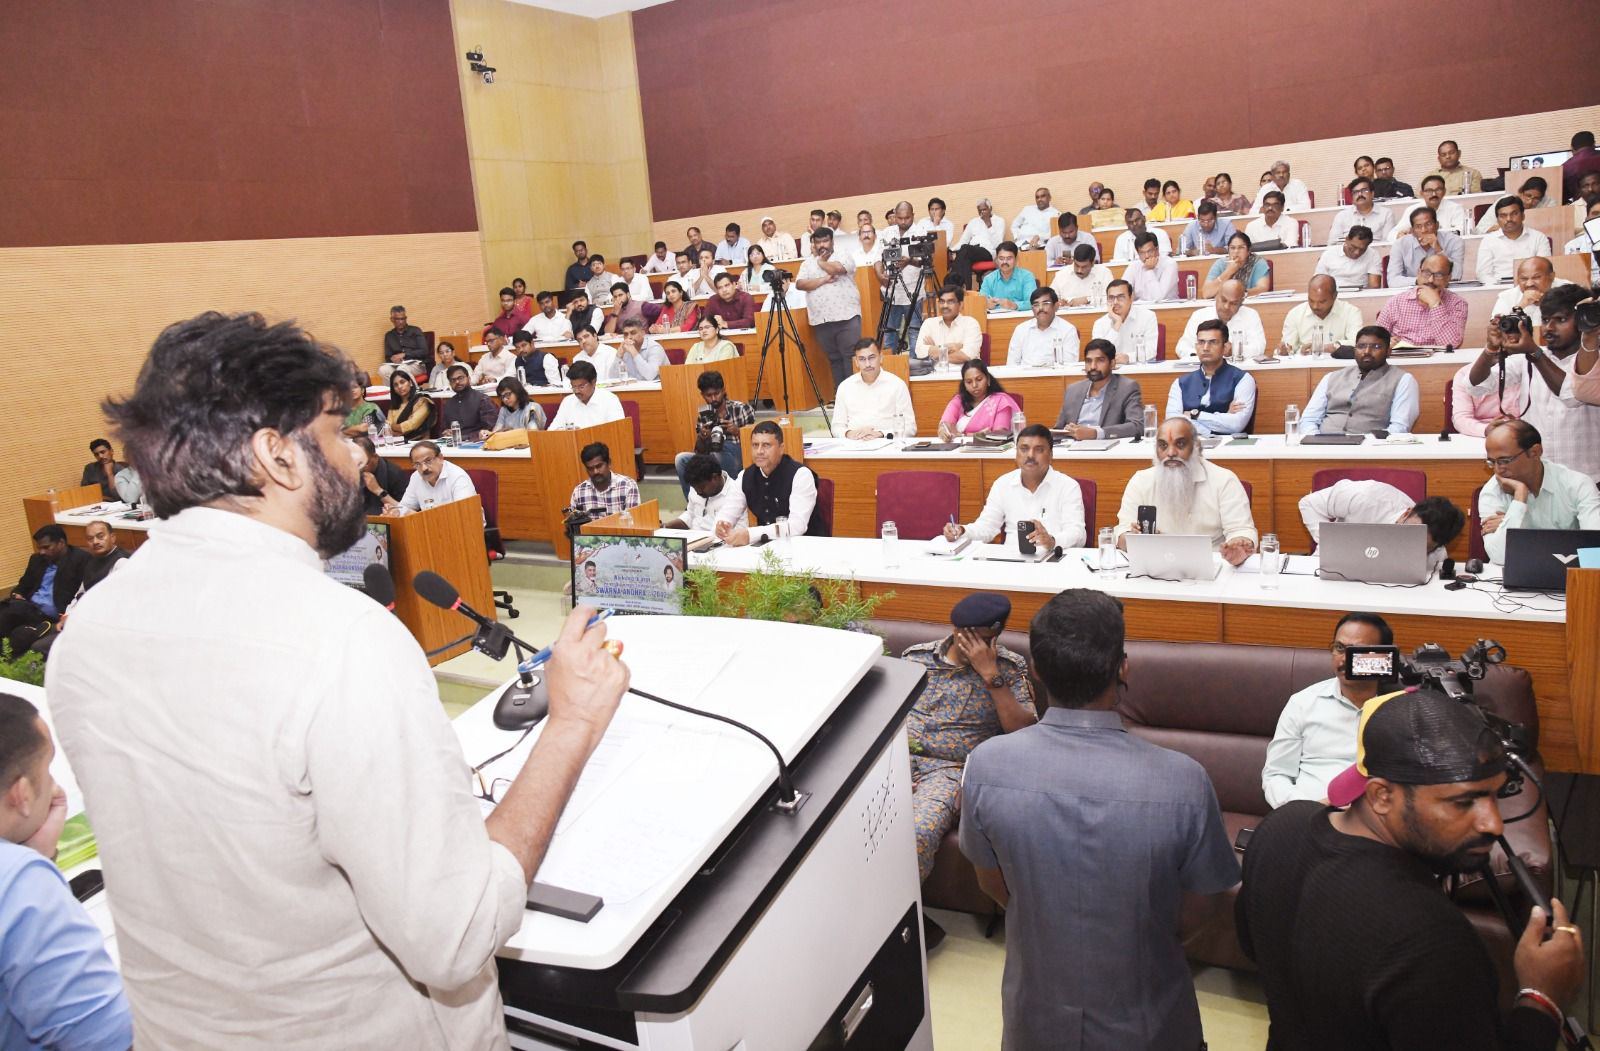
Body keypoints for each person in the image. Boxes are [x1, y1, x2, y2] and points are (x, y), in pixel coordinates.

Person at [50, 313, 631, 1047]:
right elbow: (457, 932)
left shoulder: (89, 629)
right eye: (337, 431)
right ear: (277, 456)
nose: (358, 454)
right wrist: (573, 721)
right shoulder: (340, 640)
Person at [961, 588, 1238, 1051]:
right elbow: (1203, 908)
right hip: (1150, 1023)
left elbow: (992, 885)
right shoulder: (1184, 781)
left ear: (1036, 669)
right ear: (1122, 668)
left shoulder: (986, 766)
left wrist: (1052, 921)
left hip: (1035, 1020)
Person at [1238, 688, 1586, 1051]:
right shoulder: (1434, 941)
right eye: (1463, 802)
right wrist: (1542, 998)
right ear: (1381, 796)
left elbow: (1253, 944)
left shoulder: (1279, 826)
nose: (1493, 824)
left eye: (1495, 795)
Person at [0, 695, 133, 1049]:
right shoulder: (20, 885)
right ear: (21, 794)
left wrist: (37, 854)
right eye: (47, 768)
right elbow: (104, 1039)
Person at [901, 593, 1035, 907]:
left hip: (947, 771)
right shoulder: (915, 658)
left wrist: (990, 675)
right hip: (896, 757)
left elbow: (1025, 735)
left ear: (996, 635)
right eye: (968, 637)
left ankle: (899, 916)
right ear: (956, 629)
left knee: (917, 831)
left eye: (984, 640)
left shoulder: (1008, 668)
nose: (974, 647)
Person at [1261, 612, 1395, 808]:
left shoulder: (1401, 710)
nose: (1344, 659)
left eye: (1357, 651)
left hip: (1374, 817)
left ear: (1383, 657)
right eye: (1339, 648)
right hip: (1307, 816)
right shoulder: (1303, 703)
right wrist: (1304, 809)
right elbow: (1276, 774)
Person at [1471, 286, 1600, 481]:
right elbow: (1476, 385)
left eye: (1561, 320)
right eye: (1546, 320)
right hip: (1538, 475)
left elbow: (1572, 395)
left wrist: (1534, 353)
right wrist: (1490, 349)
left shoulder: (1593, 360)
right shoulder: (1528, 357)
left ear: (1582, 320)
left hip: (1587, 475)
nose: (1549, 328)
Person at [1116, 417, 1257, 563]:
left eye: (1180, 444)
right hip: (1154, 567)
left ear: (1196, 446)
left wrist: (1238, 547)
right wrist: (1132, 539)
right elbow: (1121, 535)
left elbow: (1241, 530)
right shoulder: (1140, 481)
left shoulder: (1224, 480)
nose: (1171, 453)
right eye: (1163, 445)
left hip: (1213, 566)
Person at [943, 425, 1086, 550]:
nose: (1030, 455)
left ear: (1051, 455)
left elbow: (1078, 534)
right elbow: (987, 527)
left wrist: (1052, 541)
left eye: (1039, 450)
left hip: (1052, 560)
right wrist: (962, 530)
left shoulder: (1068, 486)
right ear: (1016, 454)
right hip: (1011, 560)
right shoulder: (1002, 484)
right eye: (1024, 449)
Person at [1477, 418, 1600, 564]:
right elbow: (1499, 557)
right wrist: (1520, 497)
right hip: (1515, 574)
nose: (1498, 470)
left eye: (1505, 461)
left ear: (1535, 452)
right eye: (1492, 462)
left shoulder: (1577, 485)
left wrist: (1519, 529)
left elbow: (1594, 553)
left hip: (1570, 574)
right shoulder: (1492, 491)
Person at [714, 422, 828, 544]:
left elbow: (797, 526)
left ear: (781, 448)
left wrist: (751, 534)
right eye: (755, 445)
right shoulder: (745, 476)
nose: (759, 451)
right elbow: (727, 512)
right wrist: (722, 526)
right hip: (766, 547)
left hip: (806, 545)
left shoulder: (800, 475)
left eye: (766, 445)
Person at [1298, 325, 1420, 435]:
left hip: (1372, 448)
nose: (1367, 352)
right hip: (1323, 445)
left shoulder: (1403, 380)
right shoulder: (1331, 378)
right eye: (1361, 346)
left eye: (1376, 347)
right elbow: (1309, 420)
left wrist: (1368, 443)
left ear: (1388, 351)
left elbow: (1400, 428)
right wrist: (1315, 440)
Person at [1, 526, 90, 656]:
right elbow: (23, 586)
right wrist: (17, 594)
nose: (42, 552)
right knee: (6, 611)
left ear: (61, 543)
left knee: (16, 629)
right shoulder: (37, 560)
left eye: (46, 547)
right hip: (29, 608)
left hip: (52, 616)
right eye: (39, 548)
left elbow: (84, 593)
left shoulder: (81, 560)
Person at [1165, 319, 1257, 435]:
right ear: (1196, 346)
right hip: (1190, 443)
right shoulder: (1180, 383)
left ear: (1226, 347)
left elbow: (1236, 425)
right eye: (1201, 342)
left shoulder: (1243, 379)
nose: (1205, 348)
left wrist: (1195, 415)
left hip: (1228, 445)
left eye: (1213, 342)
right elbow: (1173, 423)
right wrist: (1214, 428)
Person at [795, 226, 862, 385]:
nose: (822, 245)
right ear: (813, 244)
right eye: (818, 242)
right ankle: (840, 395)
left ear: (832, 241)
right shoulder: (807, 264)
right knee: (834, 359)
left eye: (825, 241)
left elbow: (838, 269)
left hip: (846, 317)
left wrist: (821, 262)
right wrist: (824, 280)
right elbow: (800, 284)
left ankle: (855, 394)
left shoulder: (843, 255)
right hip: (822, 320)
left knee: (850, 356)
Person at [672, 369, 753, 490]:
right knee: (681, 459)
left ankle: (733, 492)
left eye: (717, 393)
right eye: (709, 395)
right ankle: (695, 500)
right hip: (713, 458)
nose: (714, 398)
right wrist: (703, 437)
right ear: (702, 395)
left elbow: (755, 441)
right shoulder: (704, 415)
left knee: (720, 447)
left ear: (723, 390)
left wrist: (738, 432)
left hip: (739, 456)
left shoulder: (742, 409)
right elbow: (700, 452)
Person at [1054, 339, 1144, 438]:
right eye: (1089, 361)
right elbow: (1058, 430)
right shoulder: (1073, 390)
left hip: (1105, 445)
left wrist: (1096, 433)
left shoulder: (1126, 388)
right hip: (1071, 445)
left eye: (1100, 360)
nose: (1093, 366)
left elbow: (1138, 426)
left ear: (1112, 363)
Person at [1378, 253, 1468, 347]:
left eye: (1439, 275)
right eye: (1426, 273)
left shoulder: (1458, 304)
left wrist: (1435, 304)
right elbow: (1376, 338)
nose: (1430, 280)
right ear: (1418, 273)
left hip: (1438, 356)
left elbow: (1451, 345)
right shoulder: (1395, 302)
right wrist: (1387, 342)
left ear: (1448, 278)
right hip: (1401, 355)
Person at [832, 339, 916, 439]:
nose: (867, 364)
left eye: (871, 358)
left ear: (881, 358)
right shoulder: (845, 387)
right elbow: (837, 427)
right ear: (856, 362)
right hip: (854, 444)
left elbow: (910, 427)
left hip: (886, 443)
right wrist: (849, 433)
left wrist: (881, 434)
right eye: (862, 359)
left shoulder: (897, 385)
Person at [876, 202, 928, 353]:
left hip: (913, 291)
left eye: (907, 218)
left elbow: (925, 262)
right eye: (900, 218)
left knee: (914, 332)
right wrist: (880, 274)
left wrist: (909, 261)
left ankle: (915, 363)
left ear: (913, 215)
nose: (903, 221)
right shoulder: (887, 232)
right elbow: (877, 258)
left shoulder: (920, 232)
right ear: (895, 216)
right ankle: (891, 364)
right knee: (889, 333)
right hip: (891, 292)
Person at [1175, 279, 1266, 359]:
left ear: (1241, 302)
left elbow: (1259, 347)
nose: (1226, 307)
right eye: (1223, 300)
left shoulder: (1251, 315)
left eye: (1233, 303)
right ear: (1216, 297)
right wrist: (1202, 354)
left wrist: (1234, 350)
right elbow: (1182, 347)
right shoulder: (1199, 315)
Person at [1277, 274, 1364, 355]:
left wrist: (1327, 347)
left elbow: (1358, 344)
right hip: (1306, 364)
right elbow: (1289, 347)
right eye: (1311, 300)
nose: (1315, 306)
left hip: (1340, 365)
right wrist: (1285, 351)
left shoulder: (1351, 312)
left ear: (1334, 296)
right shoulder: (1295, 314)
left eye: (1322, 302)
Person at [1476, 196, 1554, 284]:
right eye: (1503, 216)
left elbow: (1544, 269)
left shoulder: (1538, 238)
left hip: (1532, 285)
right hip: (1499, 287)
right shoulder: (1488, 240)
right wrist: (1497, 286)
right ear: (1497, 220)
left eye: (1514, 214)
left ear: (1523, 216)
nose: (1509, 219)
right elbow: (1483, 273)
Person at [939, 360, 1022, 437]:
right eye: (969, 382)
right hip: (959, 447)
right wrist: (943, 431)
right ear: (964, 384)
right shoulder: (958, 400)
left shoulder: (1001, 401)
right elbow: (945, 425)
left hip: (990, 448)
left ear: (988, 380)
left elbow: (999, 434)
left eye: (979, 379)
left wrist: (969, 436)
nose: (974, 385)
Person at [1386, 206, 1465, 287]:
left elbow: (1456, 275)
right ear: (1412, 231)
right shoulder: (1400, 245)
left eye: (1428, 224)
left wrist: (1439, 250)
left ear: (1437, 225)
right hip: (1412, 291)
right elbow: (1393, 281)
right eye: (1418, 226)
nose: (1424, 230)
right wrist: (1419, 280)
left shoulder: (1454, 241)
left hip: (1444, 290)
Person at [1006, 286, 1079, 366]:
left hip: (1056, 373)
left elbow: (1070, 366)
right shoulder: (1021, 329)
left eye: (1045, 303)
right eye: (1036, 304)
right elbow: (1011, 364)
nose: (1040, 308)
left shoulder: (1068, 330)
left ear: (1056, 306)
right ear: (1032, 309)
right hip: (1025, 373)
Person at [1092, 278, 1160, 363]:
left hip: (1139, 368)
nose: (1115, 302)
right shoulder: (1100, 323)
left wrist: (1129, 358)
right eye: (1111, 298)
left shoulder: (1147, 317)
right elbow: (1098, 354)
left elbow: (1151, 351)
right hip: (1111, 369)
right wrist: (1117, 324)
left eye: (1121, 297)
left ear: (1131, 298)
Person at [567, 442, 640, 517]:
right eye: (590, 468)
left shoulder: (628, 486)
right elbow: (573, 521)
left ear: (609, 463)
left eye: (599, 466)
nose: (595, 472)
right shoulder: (578, 492)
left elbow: (633, 519)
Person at [1491, 256, 1569, 327]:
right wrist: (1520, 306)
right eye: (1524, 279)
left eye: (1536, 277)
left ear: (1551, 277)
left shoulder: (1568, 291)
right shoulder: (1507, 297)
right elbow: (1496, 327)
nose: (1529, 284)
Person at [549, 360, 625, 430]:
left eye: (581, 387)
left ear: (593, 382)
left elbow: (618, 430)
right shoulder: (568, 401)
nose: (576, 391)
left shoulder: (610, 400)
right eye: (573, 386)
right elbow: (552, 431)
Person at [916, 285, 983, 363]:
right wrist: (952, 347)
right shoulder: (929, 323)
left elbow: (966, 356)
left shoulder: (971, 323)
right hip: (936, 370)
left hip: (964, 370)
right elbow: (920, 352)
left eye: (950, 302)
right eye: (942, 301)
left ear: (960, 305)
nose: (945, 306)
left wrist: (935, 350)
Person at [950, 198, 1007, 287]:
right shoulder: (973, 222)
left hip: (988, 252)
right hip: (971, 252)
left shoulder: (999, 221)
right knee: (965, 257)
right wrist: (951, 250)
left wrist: (988, 224)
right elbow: (963, 241)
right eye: (980, 210)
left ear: (990, 208)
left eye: (984, 209)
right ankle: (966, 290)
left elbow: (998, 244)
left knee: (965, 250)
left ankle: (955, 285)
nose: (982, 212)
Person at [1391, 174, 1470, 238]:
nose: (1434, 194)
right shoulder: (1412, 210)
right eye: (1429, 191)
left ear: (1444, 191)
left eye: (1438, 190)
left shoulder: (1455, 208)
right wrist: (1399, 236)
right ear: (1421, 193)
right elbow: (1392, 234)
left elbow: (1461, 231)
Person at [1202, 231, 1271, 297]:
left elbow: (1262, 288)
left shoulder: (1258, 262)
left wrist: (1241, 294)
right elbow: (1206, 293)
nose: (1236, 251)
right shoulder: (1220, 264)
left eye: (1241, 247)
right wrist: (1228, 272)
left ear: (1248, 251)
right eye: (1232, 248)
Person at [437, 365, 497, 440]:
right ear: (450, 383)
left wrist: (462, 437)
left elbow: (489, 430)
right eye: (453, 380)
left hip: (477, 443)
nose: (457, 382)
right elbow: (442, 430)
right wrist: (446, 432)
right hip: (453, 443)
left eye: (460, 378)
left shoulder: (482, 399)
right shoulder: (448, 404)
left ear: (469, 378)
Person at [1473, 177, 1549, 234]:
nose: (1530, 201)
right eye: (1528, 195)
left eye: (1536, 198)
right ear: (1521, 192)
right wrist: (1504, 227)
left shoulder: (1542, 206)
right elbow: (1480, 229)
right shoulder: (1506, 201)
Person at [1328, 177, 1393, 245]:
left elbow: (1388, 244)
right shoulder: (1341, 216)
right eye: (1355, 192)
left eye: (1364, 190)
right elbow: (1332, 243)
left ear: (1372, 194)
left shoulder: (1386, 214)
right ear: (1352, 198)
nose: (1360, 194)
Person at [1313, 226, 1382, 289]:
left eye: (1362, 249)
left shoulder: (1373, 255)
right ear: (1347, 239)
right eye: (1354, 247)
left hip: (1362, 294)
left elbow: (1374, 286)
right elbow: (1318, 282)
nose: (1357, 252)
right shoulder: (1329, 253)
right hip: (1333, 294)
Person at [357, 435, 409, 515]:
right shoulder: (349, 472)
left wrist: (378, 490)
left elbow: (405, 509)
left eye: (364, 464)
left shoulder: (395, 473)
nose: (359, 469)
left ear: (375, 457)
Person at [979, 241, 1037, 312]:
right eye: (1001, 258)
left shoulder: (1027, 276)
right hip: (996, 317)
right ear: (996, 259)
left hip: (1020, 316)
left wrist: (1014, 305)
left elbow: (1033, 302)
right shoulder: (988, 279)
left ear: (1016, 259)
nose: (1004, 262)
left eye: (1009, 258)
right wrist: (986, 304)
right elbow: (980, 302)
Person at [1125, 232, 1179, 302]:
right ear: (1138, 253)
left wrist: (1149, 270)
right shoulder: (1134, 266)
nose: (1146, 256)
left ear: (1157, 250)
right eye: (1142, 253)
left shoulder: (1170, 264)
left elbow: (1158, 298)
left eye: (1149, 251)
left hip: (1166, 307)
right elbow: (1123, 289)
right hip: (1141, 307)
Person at [384, 369, 434, 441]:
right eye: (395, 385)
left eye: (402, 382)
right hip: (397, 442)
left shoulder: (422, 401)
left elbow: (411, 425)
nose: (399, 386)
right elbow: (387, 426)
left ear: (410, 383)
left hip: (419, 442)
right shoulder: (394, 405)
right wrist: (393, 429)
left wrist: (393, 427)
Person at [383, 304, 429, 370]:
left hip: (416, 364)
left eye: (403, 319)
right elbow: (388, 357)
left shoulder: (416, 331)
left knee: (401, 368)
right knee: (383, 369)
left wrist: (404, 354)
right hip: (398, 364)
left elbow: (424, 351)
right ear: (392, 319)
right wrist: (393, 359)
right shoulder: (389, 335)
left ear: (406, 318)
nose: (401, 322)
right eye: (397, 319)